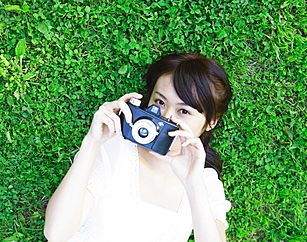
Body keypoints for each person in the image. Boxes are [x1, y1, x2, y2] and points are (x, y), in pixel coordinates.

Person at [44, 53, 233, 242]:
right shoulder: (116, 150)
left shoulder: (205, 184)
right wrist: (92, 143)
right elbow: (56, 234)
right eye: (160, 102)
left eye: (183, 111)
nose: (166, 118)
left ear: (211, 122)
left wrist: (193, 184)